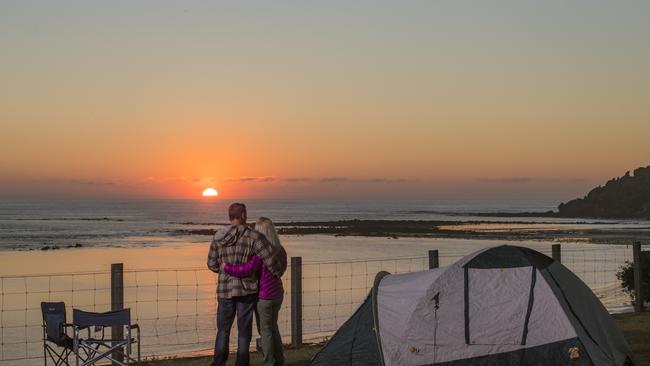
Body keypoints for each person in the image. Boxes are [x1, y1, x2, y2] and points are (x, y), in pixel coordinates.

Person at [207, 203, 286, 366]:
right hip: (246, 291)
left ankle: (218, 363)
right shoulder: (254, 237)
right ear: (243, 215)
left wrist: (224, 271)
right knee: (244, 333)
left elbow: (211, 264)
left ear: (230, 216)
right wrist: (277, 271)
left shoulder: (218, 237)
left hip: (224, 291)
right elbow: (270, 258)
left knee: (223, 330)